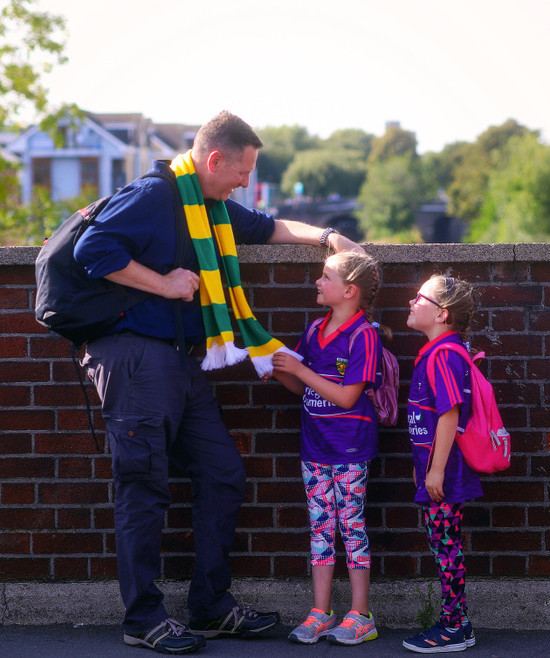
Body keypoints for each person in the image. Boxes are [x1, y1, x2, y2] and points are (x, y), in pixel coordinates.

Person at [73, 110, 363, 655]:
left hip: (181, 362)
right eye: (242, 171)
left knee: (222, 471)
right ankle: (143, 619)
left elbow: (270, 226)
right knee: (144, 487)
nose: (245, 183)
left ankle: (210, 606)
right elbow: (93, 252)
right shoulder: (156, 195)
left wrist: (330, 238)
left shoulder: (211, 210)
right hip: (135, 358)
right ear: (214, 160)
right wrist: (162, 283)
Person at [272, 250, 383, 646]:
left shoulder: (364, 335)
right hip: (313, 448)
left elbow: (348, 397)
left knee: (351, 527)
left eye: (325, 277)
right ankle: (322, 611)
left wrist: (300, 369)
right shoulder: (314, 329)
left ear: (349, 290)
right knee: (320, 528)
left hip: (350, 450)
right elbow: (303, 388)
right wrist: (280, 370)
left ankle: (362, 614)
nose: (317, 283)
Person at [402, 274, 482, 654]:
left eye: (420, 298)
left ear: (441, 314)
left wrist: (434, 470)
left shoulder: (444, 355)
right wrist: (424, 465)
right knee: (443, 544)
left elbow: (449, 413)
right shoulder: (438, 353)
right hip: (438, 473)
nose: (412, 302)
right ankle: (458, 622)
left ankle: (454, 627)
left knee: (446, 546)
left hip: (446, 477)